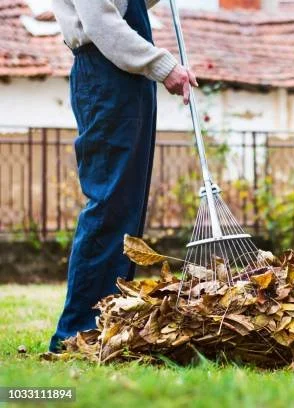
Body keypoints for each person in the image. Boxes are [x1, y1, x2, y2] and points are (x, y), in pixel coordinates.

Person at [49, 0, 196, 352]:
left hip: (126, 79)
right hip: (105, 74)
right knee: (109, 204)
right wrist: (163, 65)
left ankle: (108, 322)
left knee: (127, 208)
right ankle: (77, 331)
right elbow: (102, 23)